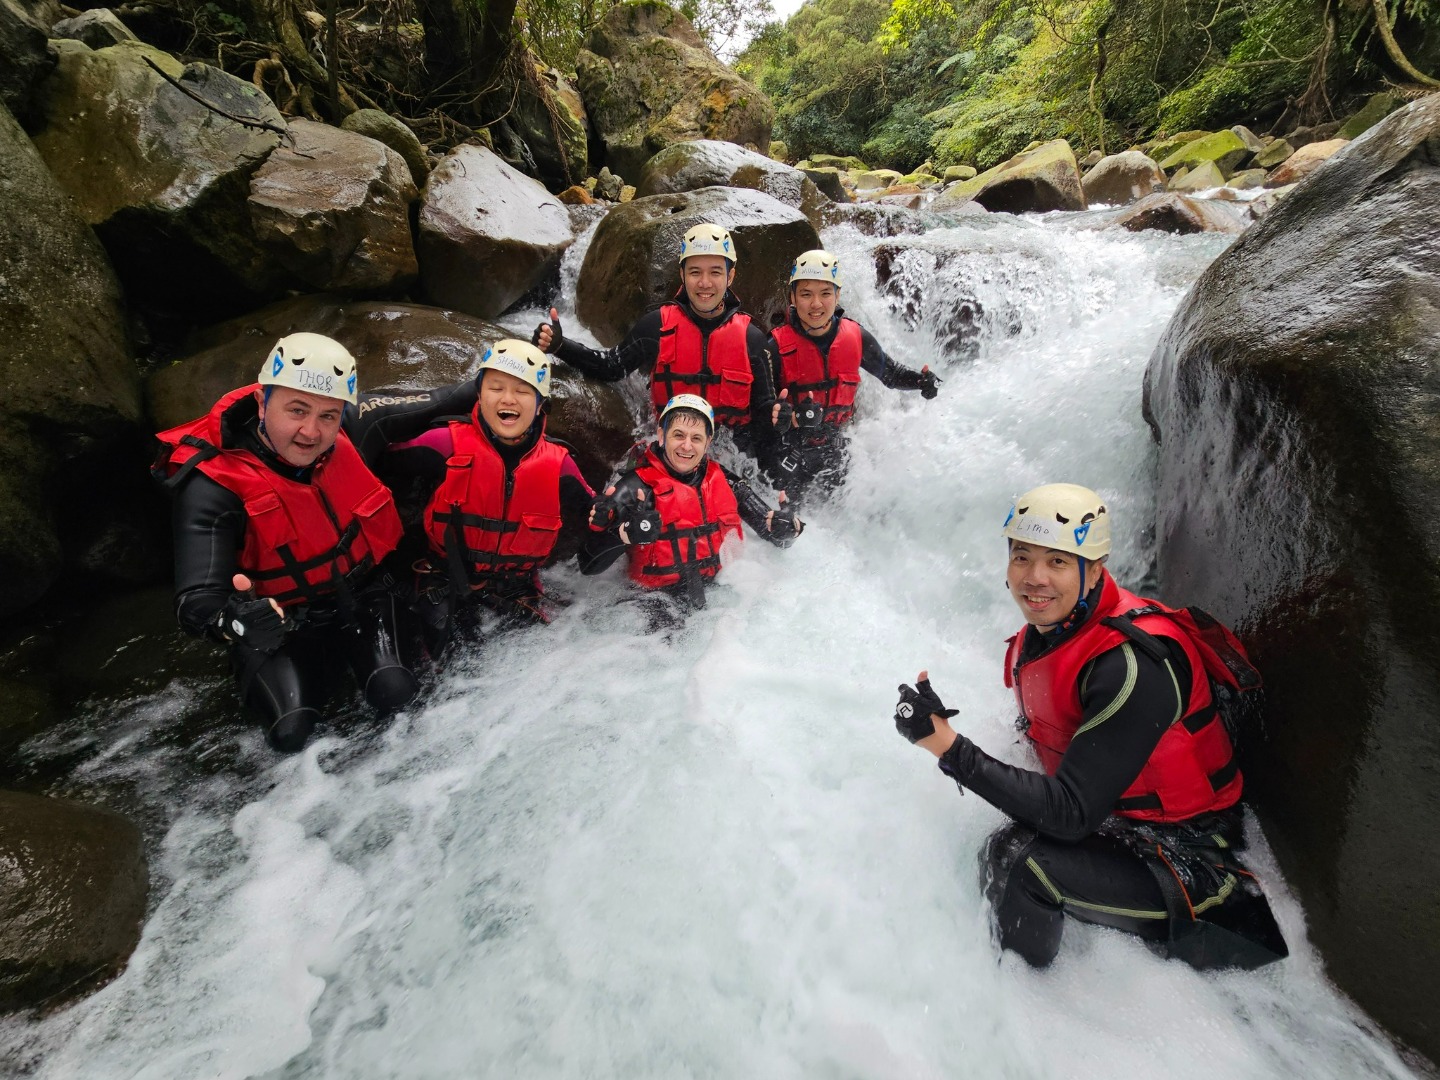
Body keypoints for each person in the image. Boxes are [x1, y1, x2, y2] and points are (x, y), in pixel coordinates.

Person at [893, 483, 1287, 970]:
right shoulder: (1045, 636)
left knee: (1018, 860)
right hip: (1123, 827)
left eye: (1058, 561)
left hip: (1200, 866)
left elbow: (1070, 814)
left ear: (1095, 570)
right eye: (1021, 557)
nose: (1034, 577)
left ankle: (1026, 1003)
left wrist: (948, 748)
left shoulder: (1131, 665)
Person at [153, 333, 419, 752]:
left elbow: (445, 398)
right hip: (278, 624)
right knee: (292, 735)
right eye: (296, 410)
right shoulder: (212, 486)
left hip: (361, 596)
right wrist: (234, 618)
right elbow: (195, 599)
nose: (311, 432)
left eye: (328, 416)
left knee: (397, 695)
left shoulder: (350, 427)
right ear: (262, 403)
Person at [370, 340, 596, 659]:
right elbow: (376, 461)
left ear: (540, 404)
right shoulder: (444, 442)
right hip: (446, 581)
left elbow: (595, 512)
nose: (508, 399)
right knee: (441, 655)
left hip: (517, 590)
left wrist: (620, 513)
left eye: (522, 391)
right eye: (496, 388)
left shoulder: (559, 465)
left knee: (543, 658)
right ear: (479, 394)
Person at [532, 223, 781, 461]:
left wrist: (781, 417)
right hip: (670, 450)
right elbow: (611, 366)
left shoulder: (752, 339)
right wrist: (560, 346)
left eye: (715, 272)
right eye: (695, 272)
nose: (705, 283)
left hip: (733, 460)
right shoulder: (656, 326)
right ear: (682, 274)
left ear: (730, 276)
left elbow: (765, 413)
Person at [578, 394, 803, 610]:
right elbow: (588, 565)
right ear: (661, 435)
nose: (686, 446)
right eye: (678, 435)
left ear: (707, 442)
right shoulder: (635, 489)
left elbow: (776, 537)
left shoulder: (725, 480)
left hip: (725, 595)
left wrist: (787, 529)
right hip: (651, 604)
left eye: (696, 438)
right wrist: (623, 535)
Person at [769, 249, 940, 500]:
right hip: (790, 453)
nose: (816, 304)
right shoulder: (774, 346)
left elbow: (891, 373)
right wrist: (783, 416)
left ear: (837, 295)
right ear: (793, 297)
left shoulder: (855, 337)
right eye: (806, 294)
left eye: (825, 293)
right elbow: (758, 408)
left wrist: (921, 381)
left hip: (836, 450)